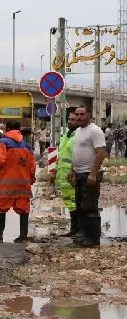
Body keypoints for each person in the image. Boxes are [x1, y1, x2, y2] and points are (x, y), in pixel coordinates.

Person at [0, 120, 37, 244]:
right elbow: (32, 165)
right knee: (24, 210)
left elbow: (0, 161)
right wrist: (31, 179)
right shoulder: (27, 145)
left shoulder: (3, 143)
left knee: (0, 209)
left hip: (5, 184)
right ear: (19, 129)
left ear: (7, 129)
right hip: (23, 184)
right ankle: (22, 237)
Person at [69, 105, 107, 248]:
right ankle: (83, 235)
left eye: (81, 114)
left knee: (89, 206)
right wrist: (72, 171)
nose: (78, 117)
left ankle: (93, 238)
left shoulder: (95, 131)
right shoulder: (78, 131)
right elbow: (76, 152)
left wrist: (93, 173)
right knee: (80, 206)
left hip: (89, 173)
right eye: (77, 114)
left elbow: (101, 153)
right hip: (79, 173)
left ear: (89, 115)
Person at [49, 109, 79, 237]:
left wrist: (73, 171)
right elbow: (60, 156)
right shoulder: (66, 136)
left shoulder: (78, 136)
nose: (70, 122)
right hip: (63, 176)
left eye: (73, 120)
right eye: (69, 120)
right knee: (69, 203)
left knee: (75, 203)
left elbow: (78, 156)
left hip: (71, 176)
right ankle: (74, 229)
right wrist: (54, 171)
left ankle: (77, 230)